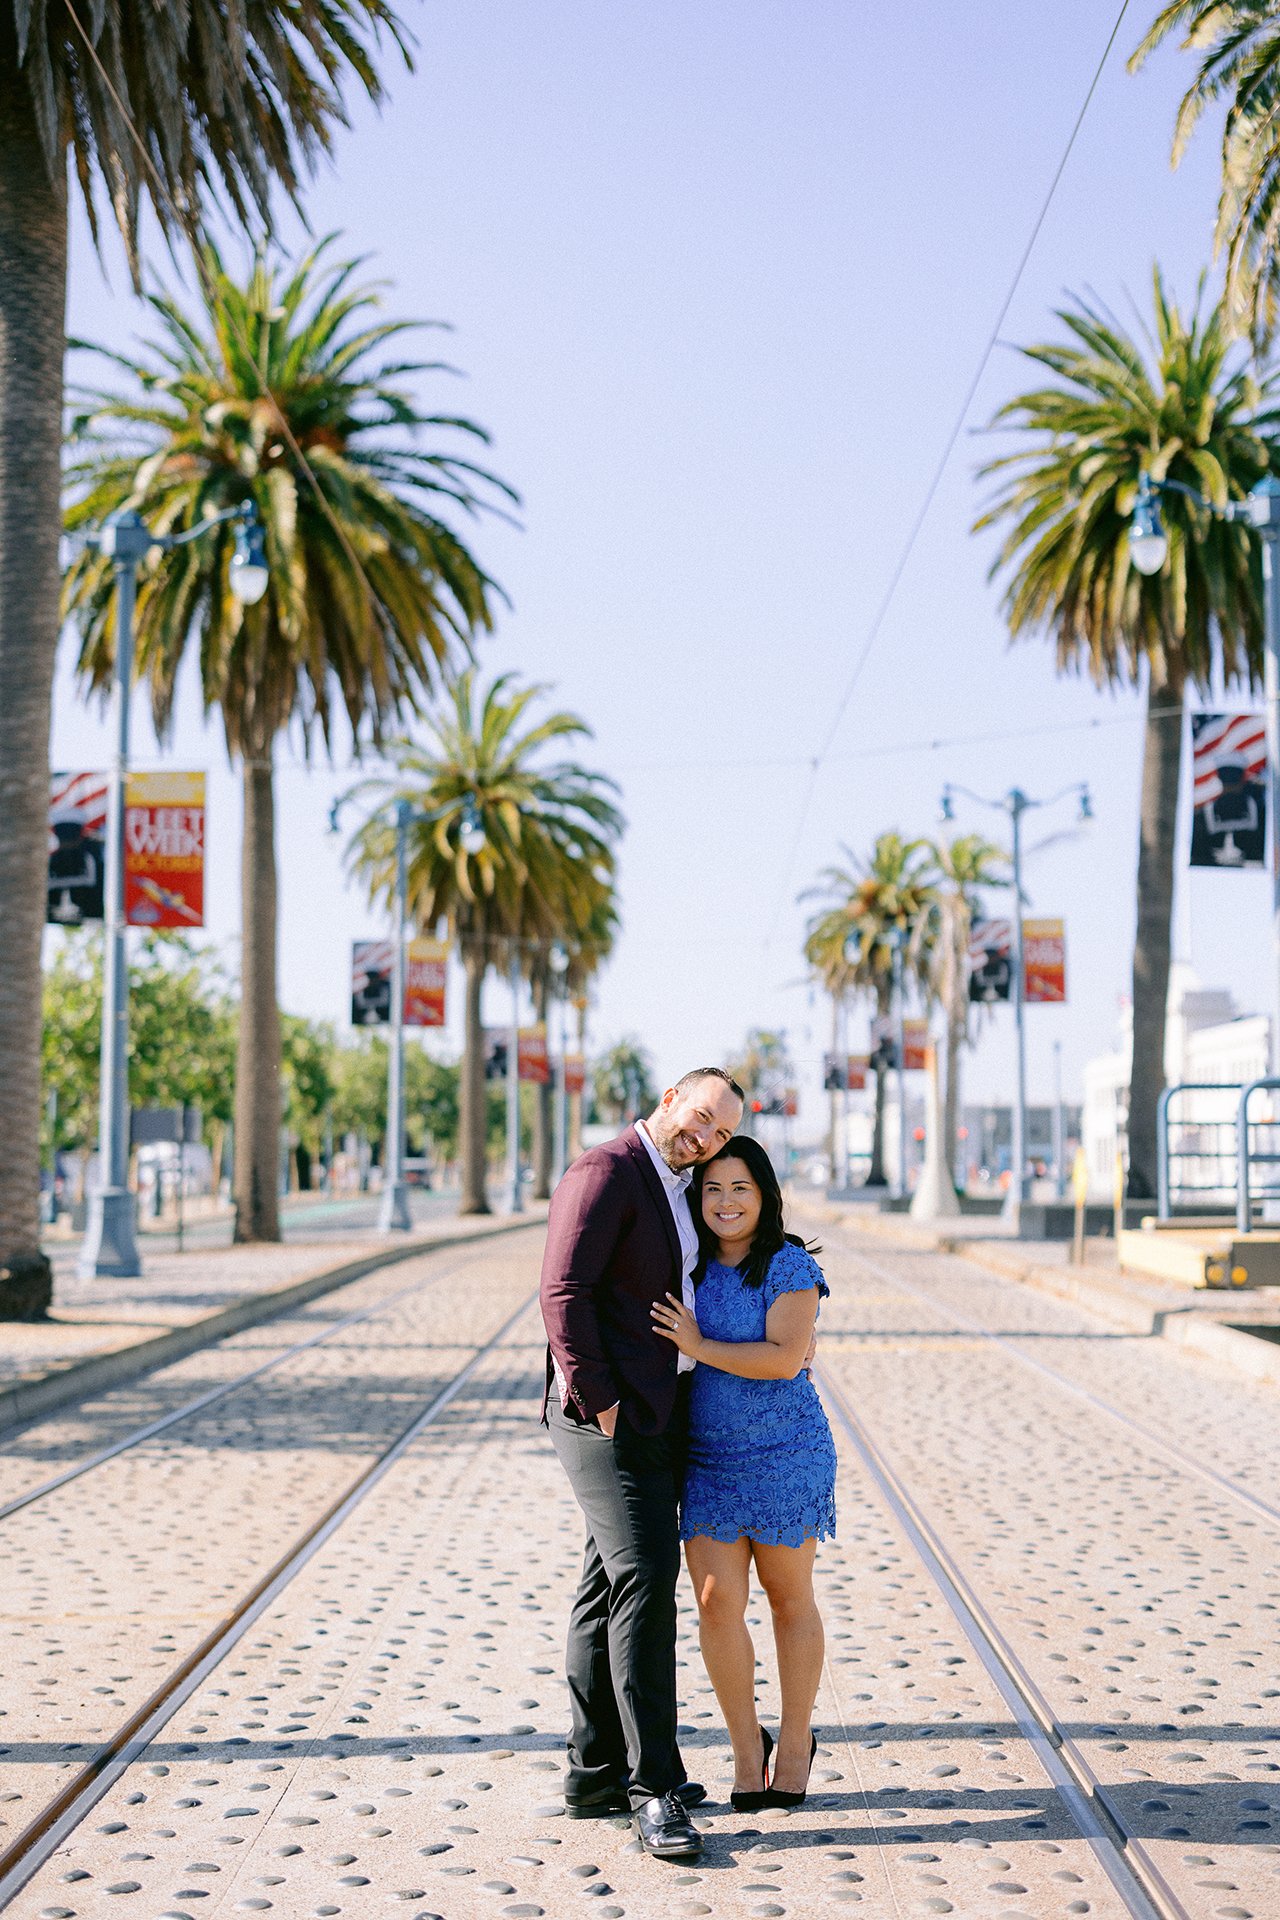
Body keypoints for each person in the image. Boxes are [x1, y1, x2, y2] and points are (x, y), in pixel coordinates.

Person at [540, 1067, 744, 1862]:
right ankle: (651, 1787)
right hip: (604, 1419)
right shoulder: (604, 1171)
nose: (704, 1139)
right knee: (649, 1583)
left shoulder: (671, 1183)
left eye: (719, 1133)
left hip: (655, 1414)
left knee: (607, 1586)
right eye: (698, 1120)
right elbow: (564, 1293)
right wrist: (604, 1404)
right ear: (668, 1101)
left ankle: (595, 1771)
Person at [651, 1134, 835, 1811]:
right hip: (708, 1460)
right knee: (714, 1603)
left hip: (787, 1454)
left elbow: (786, 1359)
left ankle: (794, 1742)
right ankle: (743, 1748)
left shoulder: (788, 1266)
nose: (726, 1202)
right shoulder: (687, 1266)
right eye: (713, 1189)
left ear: (764, 1197)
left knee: (789, 1598)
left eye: (740, 1189)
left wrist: (699, 1344)